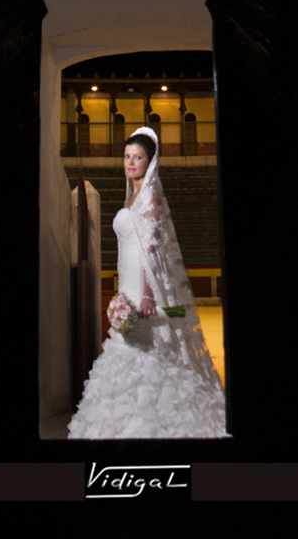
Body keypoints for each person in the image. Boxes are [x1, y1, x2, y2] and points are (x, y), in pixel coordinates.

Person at [67, 126, 229, 438]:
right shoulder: (132, 198)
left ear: (149, 162)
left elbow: (149, 252)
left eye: (137, 157)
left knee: (148, 348)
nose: (130, 162)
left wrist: (146, 295)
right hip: (126, 286)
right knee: (127, 346)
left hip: (142, 288)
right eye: (126, 156)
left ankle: (155, 420)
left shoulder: (149, 198)